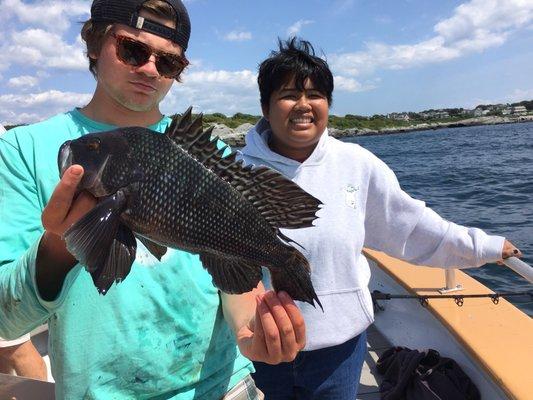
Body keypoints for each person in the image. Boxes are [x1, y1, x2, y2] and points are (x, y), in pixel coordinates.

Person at [0, 2, 306, 399]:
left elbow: (232, 274)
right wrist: (62, 243)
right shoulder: (23, 149)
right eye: (132, 50)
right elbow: (6, 320)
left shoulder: (208, 153)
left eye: (168, 63)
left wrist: (250, 334)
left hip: (226, 387)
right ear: (94, 43)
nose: (149, 69)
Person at [238, 37, 523, 399]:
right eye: (289, 94)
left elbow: (411, 226)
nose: (304, 105)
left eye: (316, 95)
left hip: (339, 349)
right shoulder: (235, 172)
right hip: (257, 347)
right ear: (265, 106)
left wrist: (483, 246)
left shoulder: (356, 163)